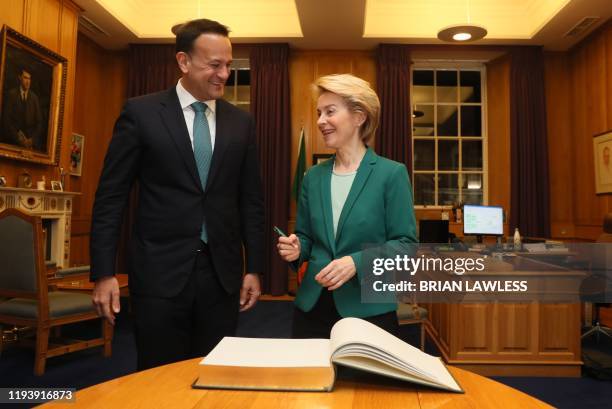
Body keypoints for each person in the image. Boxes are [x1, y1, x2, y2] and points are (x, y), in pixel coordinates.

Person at [90, 18, 264, 370]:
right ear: (184, 62)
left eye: (228, 65)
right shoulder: (141, 113)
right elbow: (111, 197)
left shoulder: (241, 123)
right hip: (159, 275)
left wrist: (255, 268)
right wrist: (104, 272)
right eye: (214, 65)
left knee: (216, 374)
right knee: (158, 375)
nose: (224, 75)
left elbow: (252, 202)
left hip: (222, 276)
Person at [277, 74, 417, 338]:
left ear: (359, 117)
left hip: (368, 311)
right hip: (312, 307)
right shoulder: (313, 177)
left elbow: (406, 245)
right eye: (319, 113)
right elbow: (307, 237)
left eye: (330, 111)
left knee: (361, 381)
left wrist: (356, 262)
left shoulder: (391, 174)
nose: (320, 121)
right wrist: (297, 249)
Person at [2, 67, 43, 151]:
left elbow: (39, 122)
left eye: (29, 79)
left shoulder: (34, 98)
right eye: (25, 78)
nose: (28, 81)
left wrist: (32, 140)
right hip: (13, 142)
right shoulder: (11, 95)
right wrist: (18, 138)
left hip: (30, 144)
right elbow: (6, 120)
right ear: (20, 78)